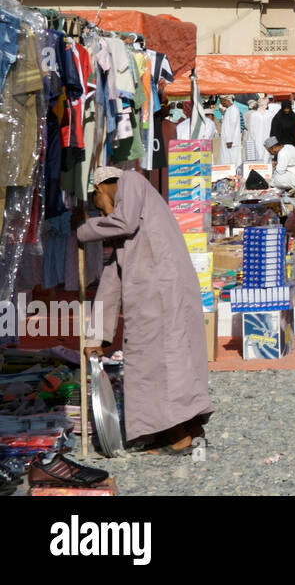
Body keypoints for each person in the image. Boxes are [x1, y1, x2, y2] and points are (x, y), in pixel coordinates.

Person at [76, 167, 213, 454]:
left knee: (157, 363)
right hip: (158, 292)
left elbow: (122, 222)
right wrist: (97, 336)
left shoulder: (131, 181)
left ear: (100, 189)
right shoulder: (131, 213)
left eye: (96, 203)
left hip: (160, 292)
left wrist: (84, 229)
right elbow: (112, 278)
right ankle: (180, 429)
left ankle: (177, 434)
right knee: (163, 361)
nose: (101, 212)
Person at [243, 95, 273, 163]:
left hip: (267, 141)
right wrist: (251, 143)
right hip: (256, 140)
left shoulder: (270, 114)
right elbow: (251, 132)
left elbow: (272, 130)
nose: (260, 100)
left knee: (267, 158)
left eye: (263, 99)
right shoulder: (253, 115)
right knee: (256, 158)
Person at [215, 94, 242, 166]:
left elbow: (232, 126)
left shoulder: (233, 109)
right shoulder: (229, 110)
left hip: (230, 141)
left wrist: (229, 140)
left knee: (231, 160)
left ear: (226, 100)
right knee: (226, 159)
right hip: (227, 140)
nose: (221, 103)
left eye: (221, 101)